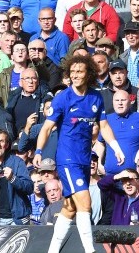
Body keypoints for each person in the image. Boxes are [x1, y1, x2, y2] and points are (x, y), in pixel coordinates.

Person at [34, 55, 125, 253]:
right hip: (67, 159)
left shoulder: (95, 97)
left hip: (84, 159)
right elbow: (47, 128)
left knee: (70, 207)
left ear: (89, 74)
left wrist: (116, 148)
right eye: (72, 72)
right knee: (85, 201)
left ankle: (52, 250)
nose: (75, 75)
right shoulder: (62, 98)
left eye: (79, 72)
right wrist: (39, 151)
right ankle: (89, 250)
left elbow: (104, 125)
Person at [94, 90, 139, 175]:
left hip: (134, 177)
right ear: (113, 102)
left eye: (123, 100)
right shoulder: (106, 120)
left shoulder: (137, 118)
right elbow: (100, 143)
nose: (120, 103)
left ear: (130, 102)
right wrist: (99, 164)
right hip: (110, 176)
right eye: (117, 100)